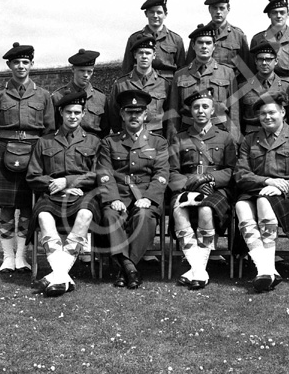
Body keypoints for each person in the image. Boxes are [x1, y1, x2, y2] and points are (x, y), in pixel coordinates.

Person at [0, 42, 55, 273]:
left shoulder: (43, 95)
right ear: (9, 65)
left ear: (32, 64)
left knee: (27, 207)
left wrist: (44, 160)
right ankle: (7, 257)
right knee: (6, 207)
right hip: (3, 150)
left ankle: (21, 257)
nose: (21, 66)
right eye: (16, 63)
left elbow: (49, 130)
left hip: (33, 152)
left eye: (25, 62)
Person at [234, 91, 289, 293]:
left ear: (283, 112)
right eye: (262, 114)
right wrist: (267, 181)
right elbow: (241, 174)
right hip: (257, 189)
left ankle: (264, 269)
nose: (267, 117)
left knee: (263, 201)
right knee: (241, 205)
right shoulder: (250, 140)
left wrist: (279, 186)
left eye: (272, 113)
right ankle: (267, 269)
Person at [25, 91, 100, 297]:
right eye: (69, 112)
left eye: (77, 112)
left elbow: (96, 175)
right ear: (60, 113)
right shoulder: (44, 141)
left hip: (82, 195)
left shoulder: (93, 142)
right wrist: (57, 184)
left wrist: (68, 181)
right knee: (43, 216)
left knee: (86, 215)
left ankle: (55, 275)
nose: (73, 116)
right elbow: (32, 176)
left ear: (84, 113)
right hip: (53, 195)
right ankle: (62, 276)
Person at [97, 89, 169, 288]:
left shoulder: (158, 142)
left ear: (145, 115)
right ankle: (131, 269)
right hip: (119, 193)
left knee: (144, 216)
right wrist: (112, 198)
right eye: (129, 112)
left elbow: (161, 174)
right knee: (111, 215)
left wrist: (148, 197)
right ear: (122, 115)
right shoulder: (110, 142)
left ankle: (125, 267)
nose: (134, 116)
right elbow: (104, 173)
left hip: (145, 194)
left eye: (138, 112)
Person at [168, 88, 237, 289]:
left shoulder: (225, 137)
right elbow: (172, 171)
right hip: (186, 188)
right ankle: (199, 271)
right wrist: (193, 183)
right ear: (190, 111)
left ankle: (196, 269)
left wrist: (209, 178)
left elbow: (232, 170)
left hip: (216, 189)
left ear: (212, 110)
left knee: (206, 209)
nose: (200, 111)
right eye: (196, 107)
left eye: (205, 107)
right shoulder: (179, 138)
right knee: (179, 210)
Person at [168, 23, 240, 142]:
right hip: (188, 132)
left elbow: (234, 112)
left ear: (214, 46)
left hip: (219, 130)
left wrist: (234, 141)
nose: (204, 46)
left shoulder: (227, 73)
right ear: (193, 46)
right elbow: (173, 112)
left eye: (208, 43)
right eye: (200, 43)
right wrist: (172, 140)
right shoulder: (180, 75)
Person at [109, 36, 170, 136]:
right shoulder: (121, 84)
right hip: (128, 135)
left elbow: (169, 114)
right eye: (141, 53)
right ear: (135, 55)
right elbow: (114, 114)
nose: (144, 56)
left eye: (148, 53)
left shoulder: (164, 84)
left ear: (154, 55)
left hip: (155, 136)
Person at [185, 0, 250, 80]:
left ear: (228, 9)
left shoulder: (238, 36)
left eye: (221, 8)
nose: (218, 12)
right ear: (209, 10)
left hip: (229, 86)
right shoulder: (199, 35)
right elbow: (189, 66)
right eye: (215, 8)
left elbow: (246, 71)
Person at [121, 0, 185, 79]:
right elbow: (127, 69)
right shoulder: (134, 39)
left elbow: (182, 70)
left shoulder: (176, 40)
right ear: (146, 14)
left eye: (159, 12)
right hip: (141, 85)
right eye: (151, 12)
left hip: (167, 87)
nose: (155, 16)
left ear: (165, 14)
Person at [238, 41, 289, 135]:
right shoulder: (243, 87)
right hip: (252, 136)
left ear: (276, 61)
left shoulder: (288, 87)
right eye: (260, 59)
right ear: (255, 61)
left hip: (280, 136)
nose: (264, 63)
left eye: (269, 59)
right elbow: (238, 118)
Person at [250, 0, 289, 83]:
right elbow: (252, 70)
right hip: (265, 87)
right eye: (274, 12)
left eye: (282, 12)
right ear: (269, 15)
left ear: (288, 14)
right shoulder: (258, 39)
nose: (278, 16)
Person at [51, 48, 109, 138]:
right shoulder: (58, 96)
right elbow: (52, 127)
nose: (86, 75)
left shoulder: (100, 98)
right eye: (82, 71)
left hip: (93, 146)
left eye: (89, 71)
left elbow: (105, 129)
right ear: (73, 69)